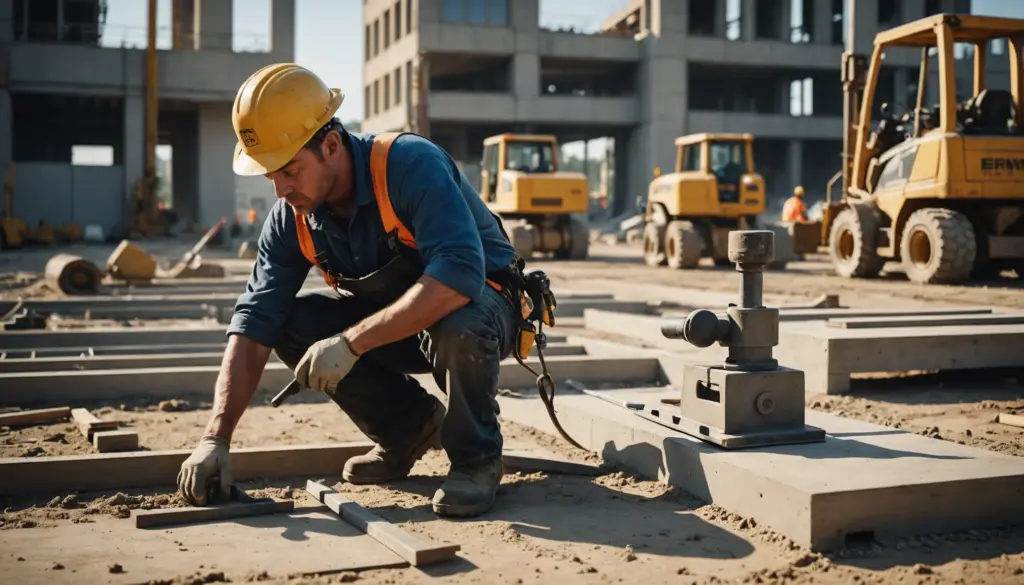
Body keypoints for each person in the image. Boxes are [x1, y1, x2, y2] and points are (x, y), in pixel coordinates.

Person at [175, 63, 530, 518]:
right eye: (270, 176)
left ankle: (476, 460)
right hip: (397, 325)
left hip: (482, 309)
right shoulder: (293, 218)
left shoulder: (408, 166)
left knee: (457, 323)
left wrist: (349, 343)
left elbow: (458, 274)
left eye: (290, 170)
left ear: (331, 144)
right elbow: (254, 321)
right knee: (291, 322)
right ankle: (408, 430)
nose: (281, 189)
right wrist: (215, 437)